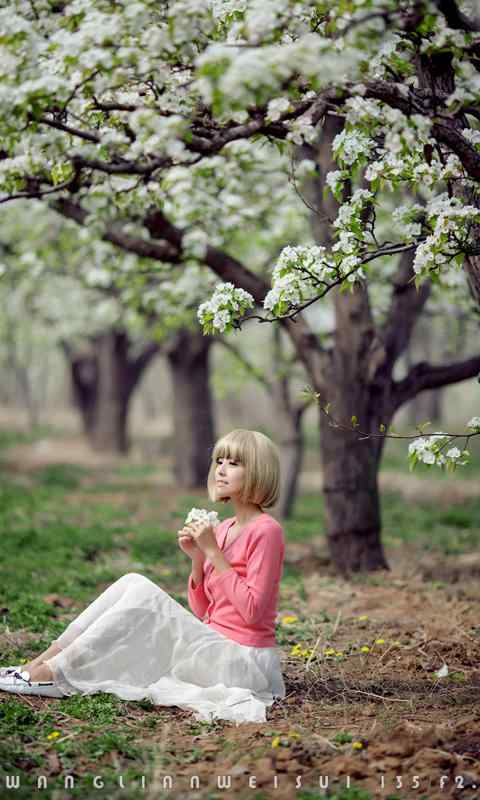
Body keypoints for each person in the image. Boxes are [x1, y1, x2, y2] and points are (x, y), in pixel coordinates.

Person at [0, 429, 286, 724]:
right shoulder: (224, 528)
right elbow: (204, 613)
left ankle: (52, 674)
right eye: (219, 461)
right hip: (214, 647)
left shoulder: (266, 531)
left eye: (234, 463)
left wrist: (213, 553)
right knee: (132, 581)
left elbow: (252, 613)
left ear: (258, 472)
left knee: (142, 592)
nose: (221, 470)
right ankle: (42, 663)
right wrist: (198, 559)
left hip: (243, 662)